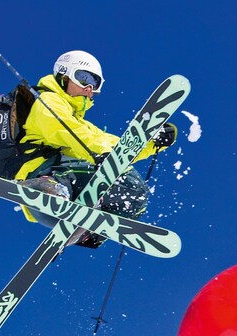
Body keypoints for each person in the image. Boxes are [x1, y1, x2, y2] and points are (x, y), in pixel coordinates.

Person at [14, 50, 176, 246]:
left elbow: (109, 144)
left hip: (61, 188)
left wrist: (151, 143)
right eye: (84, 78)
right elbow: (65, 130)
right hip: (42, 172)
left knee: (135, 193)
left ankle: (88, 230)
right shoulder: (47, 101)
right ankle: (50, 191)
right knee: (119, 176)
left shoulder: (77, 120)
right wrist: (101, 154)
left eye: (96, 83)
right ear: (64, 74)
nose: (90, 88)